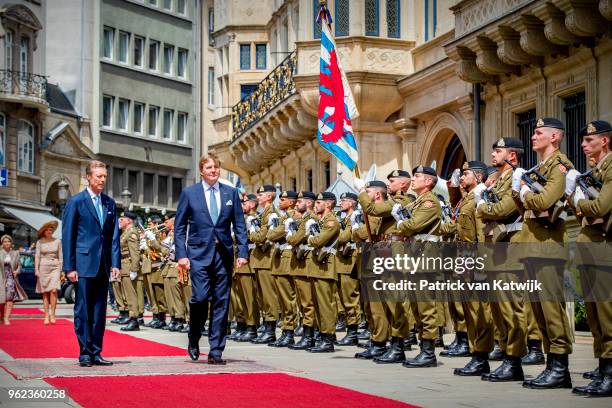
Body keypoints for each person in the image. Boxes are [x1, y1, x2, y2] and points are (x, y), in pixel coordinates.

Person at [174, 154, 248, 365]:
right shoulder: (190, 193)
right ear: (201, 170)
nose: (213, 170)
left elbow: (240, 225)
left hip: (223, 255)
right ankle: (194, 336)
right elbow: (179, 228)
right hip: (198, 255)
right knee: (199, 297)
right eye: (208, 167)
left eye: (216, 167)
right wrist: (182, 255)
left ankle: (216, 350)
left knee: (221, 302)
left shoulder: (230, 193)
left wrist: (242, 252)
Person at [566, 120, 612, 397]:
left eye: (589, 141)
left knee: (606, 314)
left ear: (604, 141)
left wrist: (579, 202)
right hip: (591, 245)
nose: (583, 145)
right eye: (583, 140)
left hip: (604, 246)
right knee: (595, 315)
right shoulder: (595, 171)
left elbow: (600, 206)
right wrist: (583, 206)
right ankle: (603, 369)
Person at [62, 160, 121, 367]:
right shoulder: (76, 202)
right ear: (88, 177)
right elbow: (68, 235)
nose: (103, 180)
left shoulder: (109, 203)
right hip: (83, 263)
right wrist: (69, 267)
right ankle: (85, 352)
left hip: (103, 265)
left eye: (105, 176)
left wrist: (116, 263)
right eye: (99, 176)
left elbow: (114, 236)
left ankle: (96, 351)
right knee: (83, 310)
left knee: (99, 311)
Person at [35, 221, 62, 325]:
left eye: (51, 230)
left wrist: (61, 270)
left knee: (54, 291)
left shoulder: (58, 241)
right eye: (47, 230)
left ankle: (53, 314)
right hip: (43, 267)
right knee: (45, 292)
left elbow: (60, 256)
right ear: (44, 231)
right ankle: (46, 315)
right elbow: (37, 256)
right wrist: (36, 270)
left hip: (55, 266)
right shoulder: (39, 242)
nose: (49, 231)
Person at [0, 235, 26, 325]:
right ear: (2, 244)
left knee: (10, 299)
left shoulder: (15, 253)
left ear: (11, 243)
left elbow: (19, 265)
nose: (7, 243)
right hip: (1, 278)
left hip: (11, 278)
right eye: (5, 242)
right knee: (1, 300)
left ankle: (7, 318)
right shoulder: (0, 253)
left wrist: (17, 271)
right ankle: (2, 317)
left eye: (8, 241)